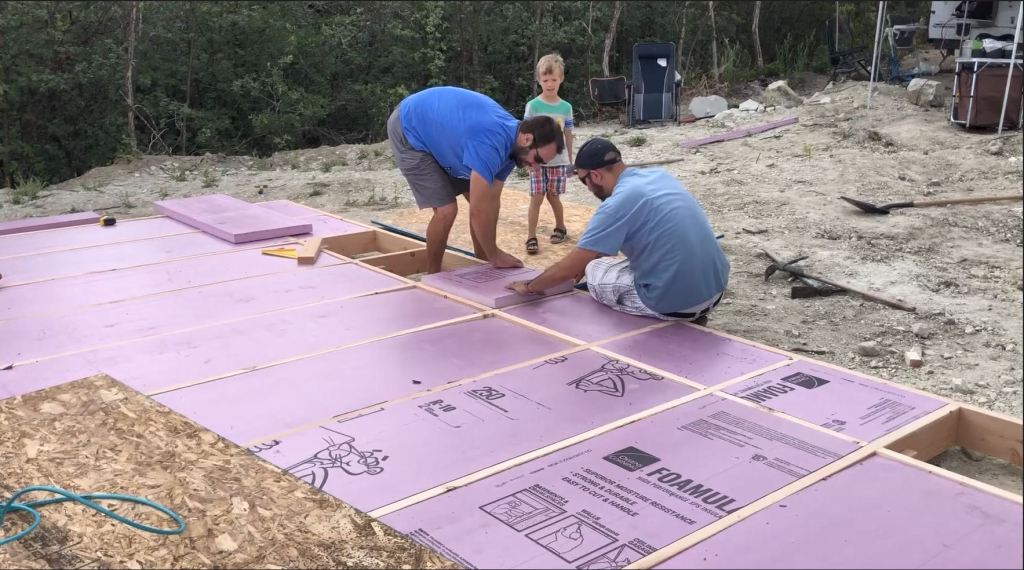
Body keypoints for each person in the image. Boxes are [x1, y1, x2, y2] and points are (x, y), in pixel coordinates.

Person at [508, 138, 729, 322]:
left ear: (595, 176)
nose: (588, 188)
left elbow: (567, 270)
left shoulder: (616, 205)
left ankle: (671, 314)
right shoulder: (659, 176)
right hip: (716, 289)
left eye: (584, 181)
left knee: (594, 268)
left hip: (674, 305)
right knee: (615, 259)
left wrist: (529, 286)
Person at [387, 86, 564, 274]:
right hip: (408, 126)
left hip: (439, 132)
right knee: (446, 210)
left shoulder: (513, 148)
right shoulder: (491, 143)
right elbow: (479, 212)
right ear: (527, 139)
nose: (535, 168)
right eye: (537, 160)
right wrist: (495, 254)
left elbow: (491, 201)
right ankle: (433, 276)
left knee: (478, 199)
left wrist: (491, 254)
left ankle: (482, 261)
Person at [523, 53, 574, 255]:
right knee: (536, 197)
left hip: (559, 161)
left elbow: (568, 134)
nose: (550, 84)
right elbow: (525, 134)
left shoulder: (566, 107)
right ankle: (531, 236)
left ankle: (560, 227)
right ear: (539, 80)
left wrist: (570, 161)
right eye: (545, 80)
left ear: (561, 78)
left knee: (554, 196)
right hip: (537, 161)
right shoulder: (533, 106)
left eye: (554, 79)